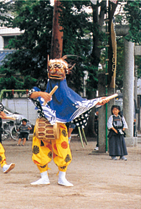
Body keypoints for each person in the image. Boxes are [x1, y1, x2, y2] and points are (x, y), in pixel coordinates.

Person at [28, 55, 110, 186]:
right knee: (40, 149)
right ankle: (44, 177)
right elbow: (31, 93)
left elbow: (81, 104)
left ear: (66, 72)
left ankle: (62, 177)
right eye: (52, 68)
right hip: (44, 122)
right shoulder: (44, 84)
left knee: (63, 150)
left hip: (60, 125)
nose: (55, 71)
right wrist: (41, 94)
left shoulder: (67, 91)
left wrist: (98, 102)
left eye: (59, 68)